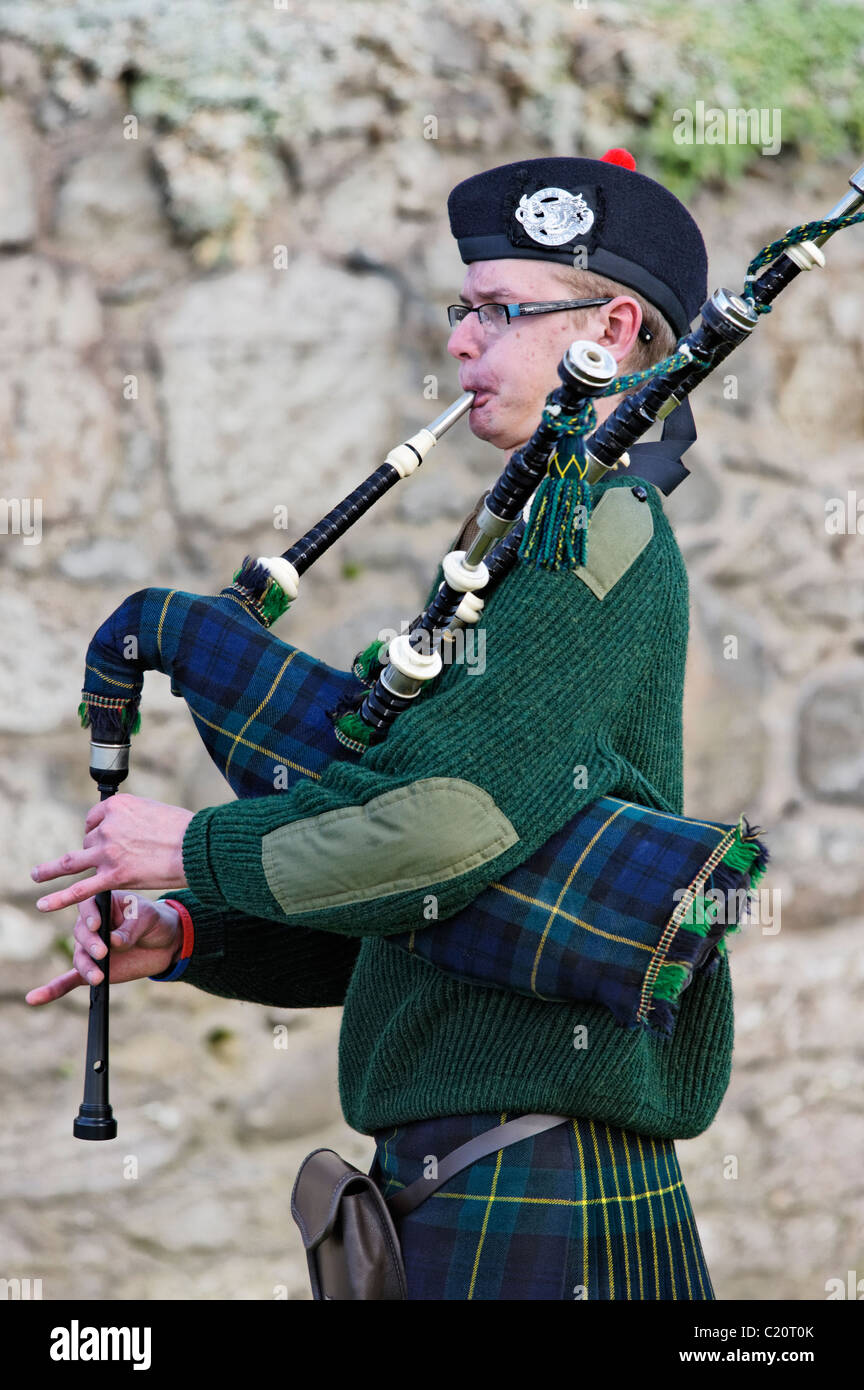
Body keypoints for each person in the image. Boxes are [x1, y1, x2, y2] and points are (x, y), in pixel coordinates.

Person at [27, 151, 729, 1300]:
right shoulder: (524, 542)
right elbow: (445, 908)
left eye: (499, 310)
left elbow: (443, 829)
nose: (460, 340)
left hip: (549, 1183)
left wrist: (195, 845)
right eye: (467, 307)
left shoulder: (593, 538)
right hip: (468, 1175)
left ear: (609, 327)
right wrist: (195, 930)